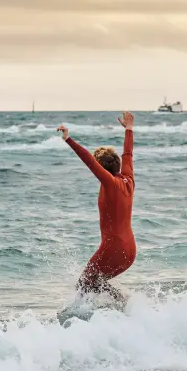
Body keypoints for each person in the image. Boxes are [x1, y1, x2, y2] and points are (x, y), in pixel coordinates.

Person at [57, 112, 136, 302]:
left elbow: (90, 161)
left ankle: (119, 306)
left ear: (103, 169)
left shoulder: (110, 183)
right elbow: (128, 154)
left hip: (114, 248)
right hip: (130, 251)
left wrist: (68, 139)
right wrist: (128, 129)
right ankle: (126, 305)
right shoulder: (129, 179)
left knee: (83, 286)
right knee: (94, 283)